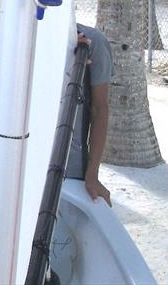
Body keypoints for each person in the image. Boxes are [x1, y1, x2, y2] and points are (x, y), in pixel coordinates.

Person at [66, 23, 112, 206]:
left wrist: (92, 174)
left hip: (71, 169)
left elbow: (100, 110)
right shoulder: (21, 37)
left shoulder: (93, 43)